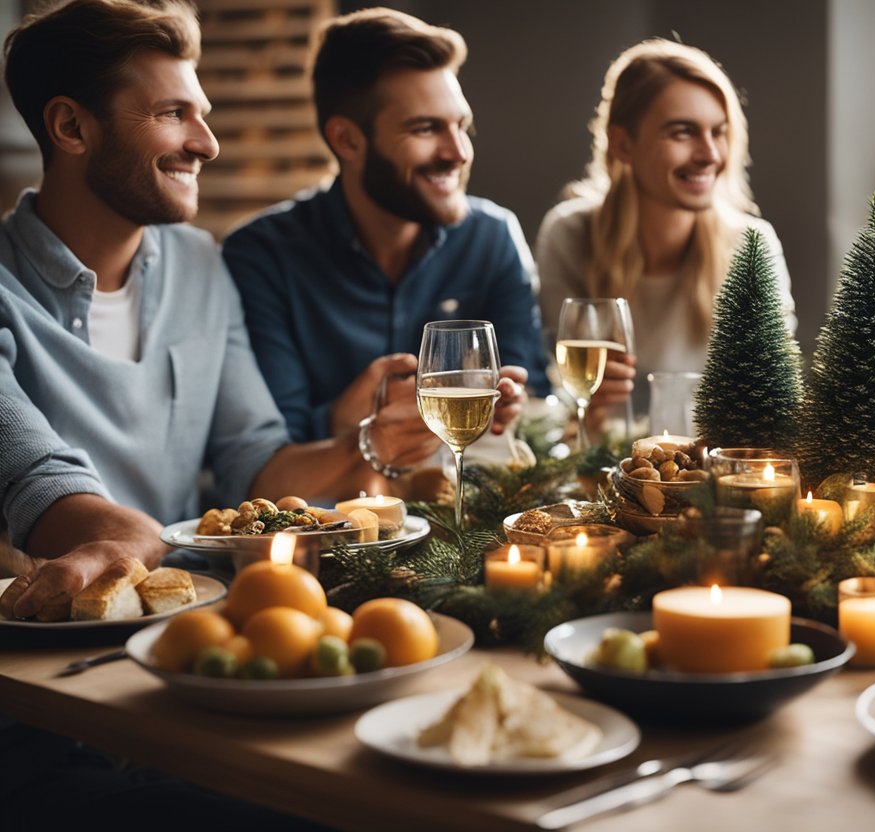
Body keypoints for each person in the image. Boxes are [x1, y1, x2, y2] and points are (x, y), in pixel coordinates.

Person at [0, 0, 486, 621]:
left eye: (201, 113)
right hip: (39, 647)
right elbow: (34, 477)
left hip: (199, 618)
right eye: (173, 114)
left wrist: (372, 441)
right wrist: (131, 539)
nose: (207, 143)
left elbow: (254, 465)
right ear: (71, 127)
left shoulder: (200, 264)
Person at [222, 7, 547, 492]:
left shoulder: (494, 237)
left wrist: (511, 406)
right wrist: (342, 420)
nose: (457, 151)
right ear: (347, 140)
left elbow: (534, 397)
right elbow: (266, 451)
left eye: (462, 125)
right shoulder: (261, 256)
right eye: (425, 128)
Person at [535, 38, 797, 424]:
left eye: (719, 132)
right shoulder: (569, 235)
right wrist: (586, 400)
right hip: (603, 464)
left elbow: (774, 396)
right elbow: (554, 393)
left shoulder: (751, 245)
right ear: (623, 144)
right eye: (682, 132)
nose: (710, 155)